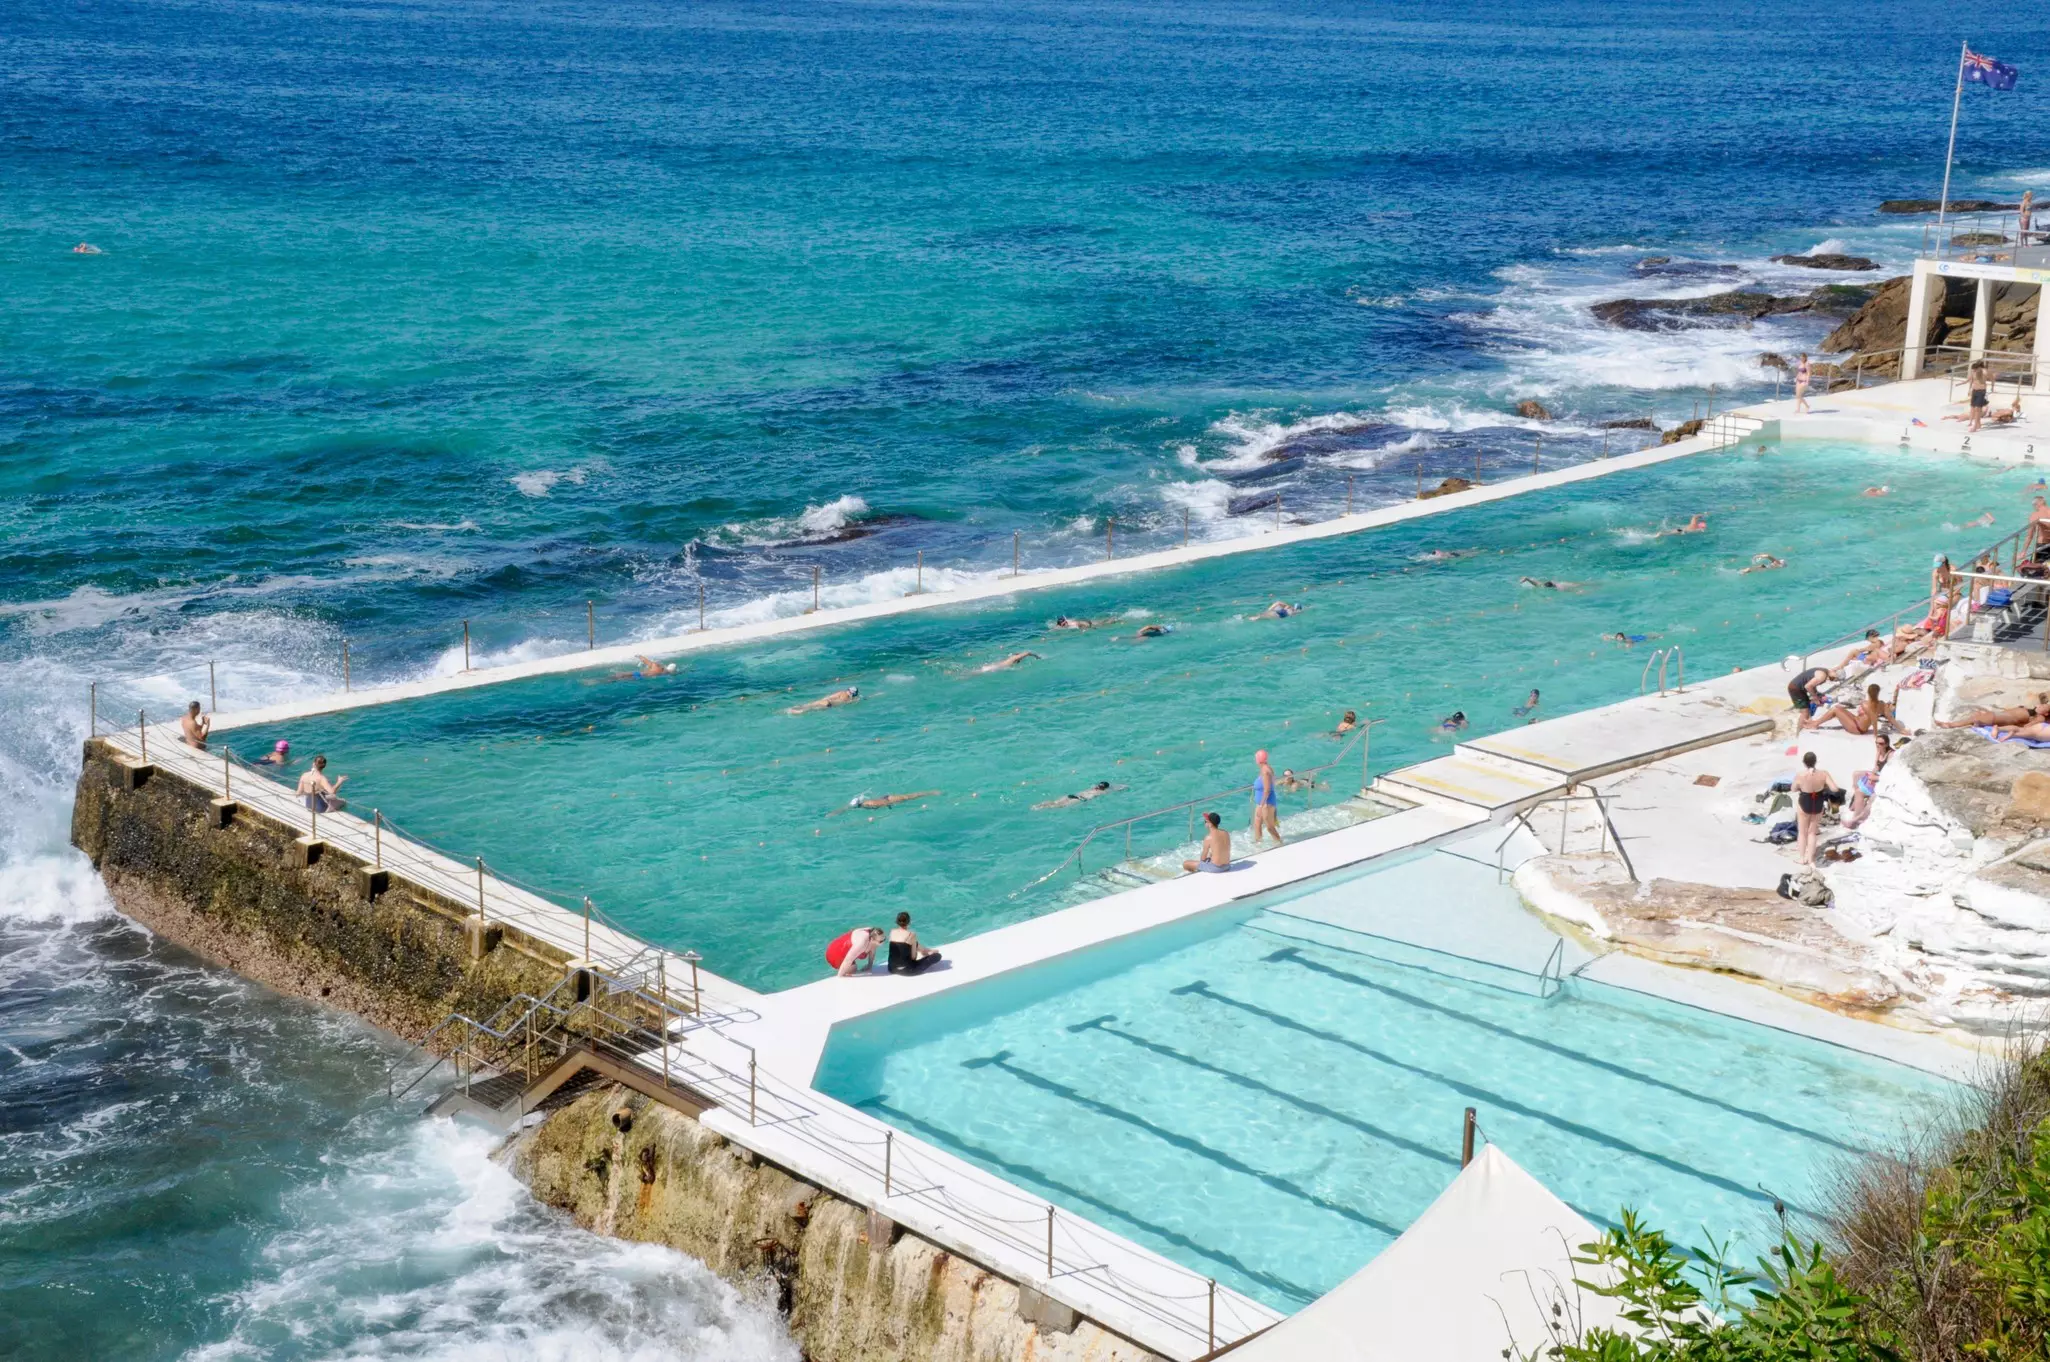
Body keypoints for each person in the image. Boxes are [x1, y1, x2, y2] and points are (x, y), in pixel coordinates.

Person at [1792, 751, 1841, 866]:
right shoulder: (1824, 774)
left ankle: (1802, 858)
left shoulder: (1800, 775)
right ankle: (1811, 860)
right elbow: (1835, 789)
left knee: (1802, 832)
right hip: (1818, 802)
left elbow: (1793, 789)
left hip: (1805, 801)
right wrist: (1823, 786)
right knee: (1812, 832)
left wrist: (1802, 786)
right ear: (1816, 761)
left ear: (1804, 762)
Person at [1843, 735, 1893, 831]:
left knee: (1870, 797)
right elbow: (1876, 767)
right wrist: (1871, 776)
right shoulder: (1879, 752)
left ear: (1886, 744)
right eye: (1876, 743)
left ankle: (1856, 819)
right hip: (1877, 777)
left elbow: (1889, 776)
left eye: (1881, 743)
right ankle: (1856, 807)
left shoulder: (1890, 755)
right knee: (1857, 778)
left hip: (1884, 781)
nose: (1878, 745)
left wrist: (1874, 777)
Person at [1938, 694, 2050, 729]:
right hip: (2000, 715)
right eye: (2042, 704)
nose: (2041, 705)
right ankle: (1976, 723)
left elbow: (2027, 727)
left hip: (2002, 718)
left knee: (1975, 718)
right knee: (1977, 715)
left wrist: (2017, 723)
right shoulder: (2033, 710)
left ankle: (1950, 725)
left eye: (2044, 706)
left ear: (2046, 713)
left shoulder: (2040, 718)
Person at [1251, 750, 1283, 845]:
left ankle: (1279, 843)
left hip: (1266, 803)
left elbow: (1267, 790)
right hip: (1262, 802)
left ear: (1258, 760)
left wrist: (1261, 806)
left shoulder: (1265, 771)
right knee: (1257, 824)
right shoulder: (1264, 768)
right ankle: (1258, 844)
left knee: (1269, 827)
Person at [833, 790, 941, 815]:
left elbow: (881, 803)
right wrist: (834, 813)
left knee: (910, 797)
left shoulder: (868, 805)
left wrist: (889, 806)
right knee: (910, 796)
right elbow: (845, 808)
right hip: (885, 798)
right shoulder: (864, 804)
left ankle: (931, 792)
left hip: (889, 799)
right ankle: (931, 792)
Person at [1033, 781, 1118, 810]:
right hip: (1079, 799)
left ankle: (1039, 805)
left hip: (1072, 795)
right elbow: (1114, 789)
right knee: (1060, 806)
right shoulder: (1102, 792)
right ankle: (1040, 807)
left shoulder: (1093, 788)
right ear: (1105, 788)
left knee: (1055, 802)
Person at [788, 684, 859, 715]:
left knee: (809, 705)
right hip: (831, 706)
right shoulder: (851, 700)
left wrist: (822, 699)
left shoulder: (842, 692)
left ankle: (796, 709)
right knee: (814, 709)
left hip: (828, 701)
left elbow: (830, 697)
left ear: (848, 690)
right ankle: (800, 711)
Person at [607, 654, 677, 681]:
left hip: (639, 673)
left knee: (619, 675)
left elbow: (645, 660)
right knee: (620, 680)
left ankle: (603, 680)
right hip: (642, 677)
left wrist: (639, 656)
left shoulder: (655, 665)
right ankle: (606, 681)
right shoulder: (665, 673)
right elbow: (674, 673)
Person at [1968, 361, 1991, 433]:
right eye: (1973, 370)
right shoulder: (1974, 372)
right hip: (1975, 390)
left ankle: (1975, 426)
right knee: (1974, 408)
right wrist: (1970, 389)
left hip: (1981, 391)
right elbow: (1971, 380)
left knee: (1977, 408)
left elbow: (1992, 377)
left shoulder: (1984, 372)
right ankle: (1978, 423)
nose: (1974, 371)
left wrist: (1992, 387)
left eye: (1975, 369)